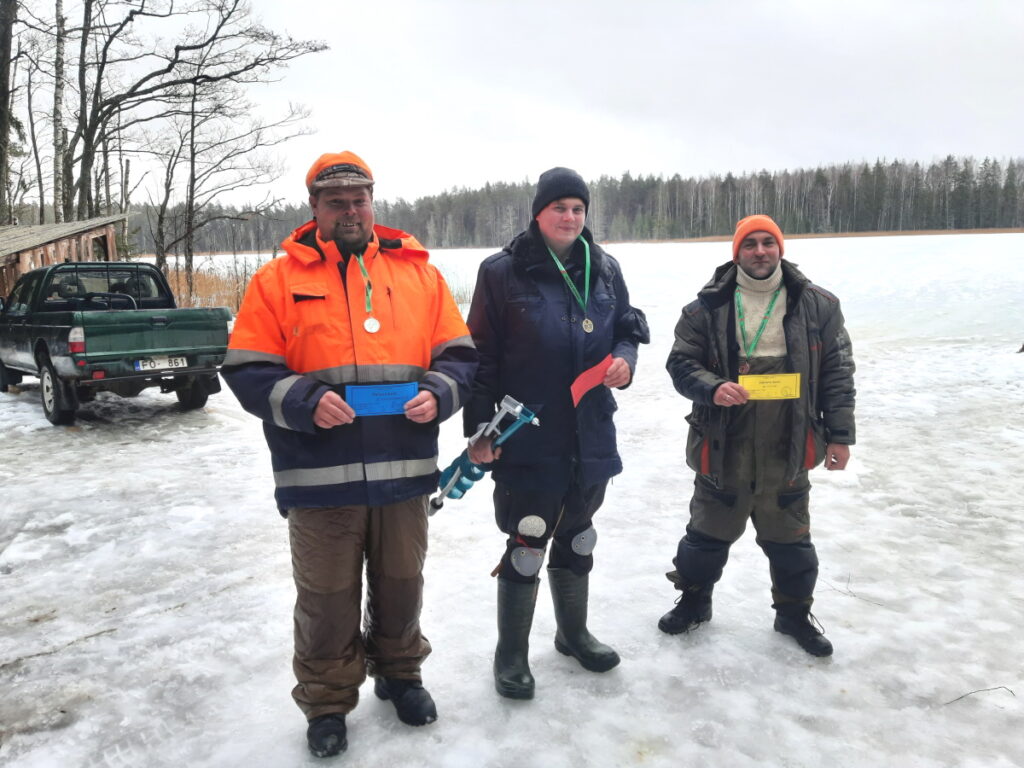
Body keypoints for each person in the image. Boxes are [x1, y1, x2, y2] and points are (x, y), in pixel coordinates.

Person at [221, 151, 477, 758]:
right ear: (314, 208)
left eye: (359, 198)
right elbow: (248, 369)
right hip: (319, 475)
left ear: (373, 202)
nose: (350, 209)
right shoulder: (275, 281)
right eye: (335, 201)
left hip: (405, 471)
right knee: (326, 597)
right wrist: (305, 400)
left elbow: (461, 357)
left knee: (401, 582)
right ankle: (328, 700)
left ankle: (400, 672)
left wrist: (439, 393)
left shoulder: (419, 275)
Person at [463, 167, 649, 699]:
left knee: (579, 534)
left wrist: (624, 361)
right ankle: (511, 656)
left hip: (590, 432)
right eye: (559, 208)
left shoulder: (605, 267)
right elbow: (481, 357)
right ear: (538, 213)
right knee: (526, 541)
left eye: (578, 209)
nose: (570, 217)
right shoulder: (502, 272)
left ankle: (573, 634)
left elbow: (627, 330)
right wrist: (480, 430)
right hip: (528, 432)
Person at [658, 214, 855, 657]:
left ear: (780, 248)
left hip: (789, 443)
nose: (761, 251)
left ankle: (793, 616)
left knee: (790, 538)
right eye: (751, 244)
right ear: (737, 253)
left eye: (768, 242)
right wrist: (712, 387)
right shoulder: (704, 308)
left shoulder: (818, 304)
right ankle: (694, 602)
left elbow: (838, 375)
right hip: (722, 440)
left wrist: (840, 436)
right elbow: (680, 365)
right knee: (706, 532)